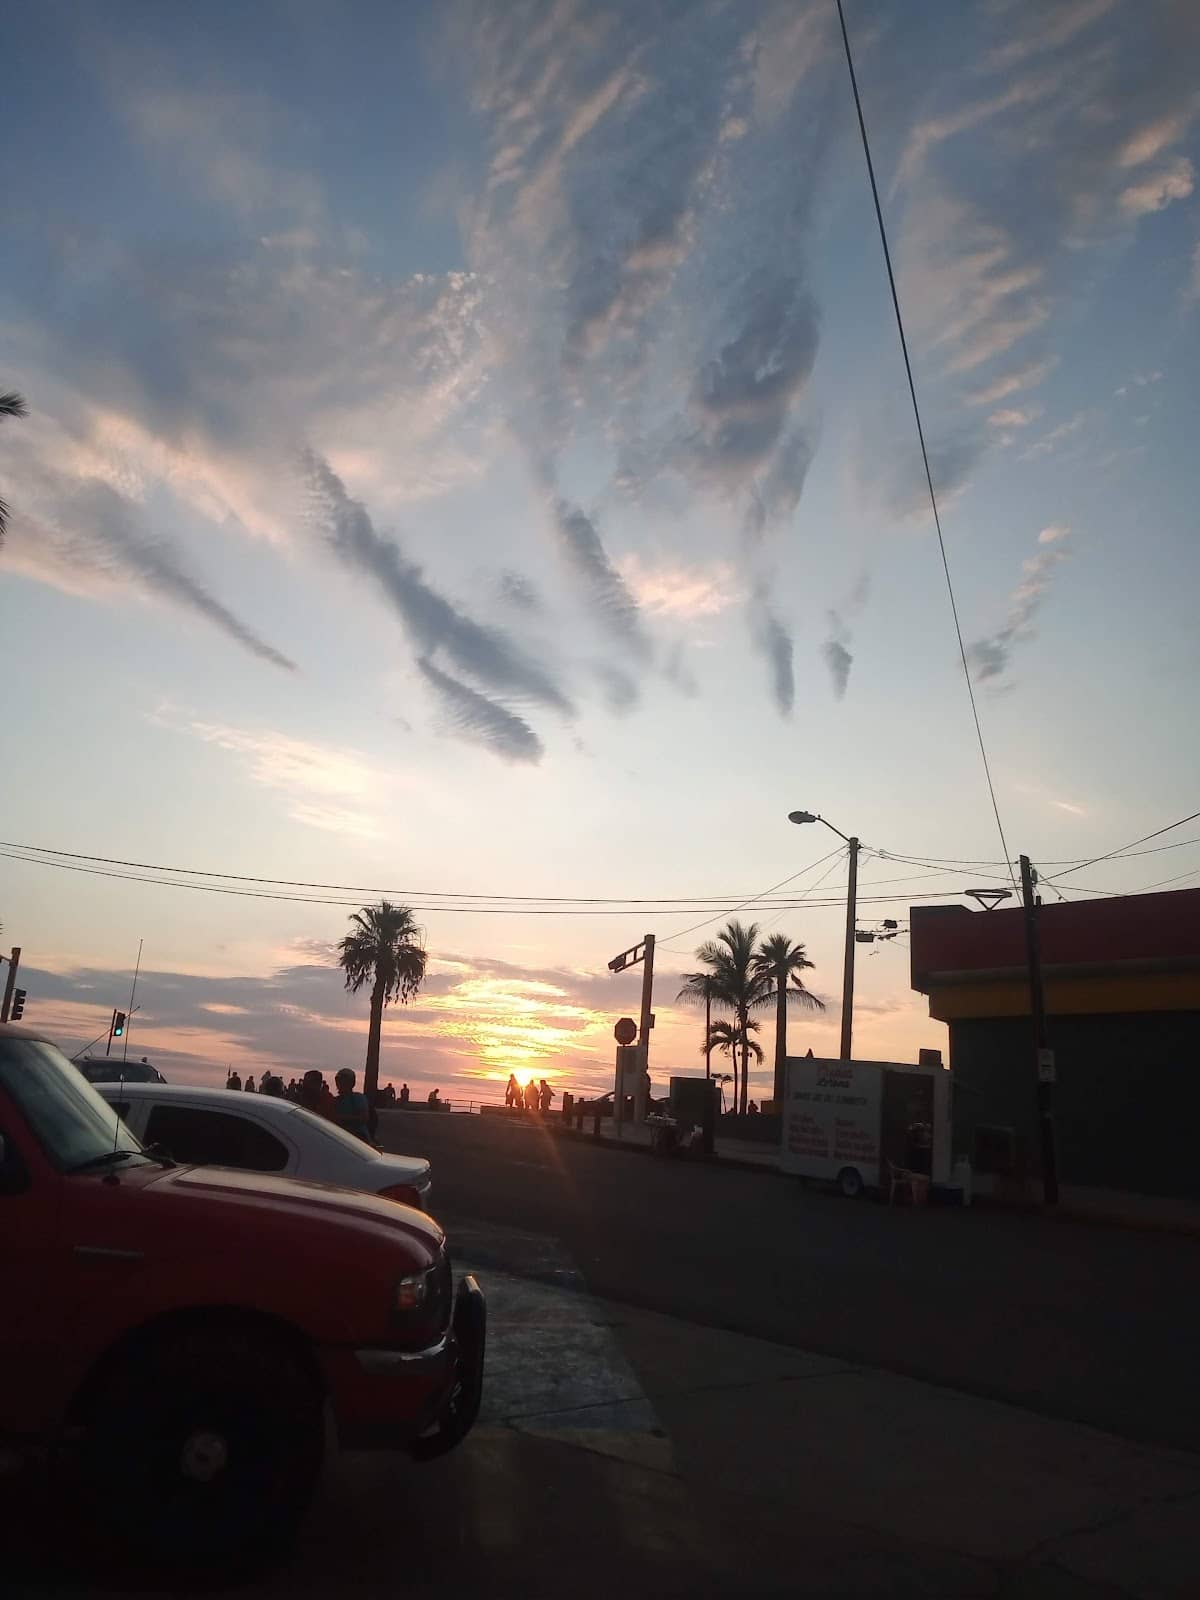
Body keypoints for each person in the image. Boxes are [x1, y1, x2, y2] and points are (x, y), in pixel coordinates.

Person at [332, 1068, 373, 1142]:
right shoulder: (335, 1100)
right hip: (339, 1137)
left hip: (357, 1138)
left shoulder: (358, 1098)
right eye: (338, 1080)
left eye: (344, 1080)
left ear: (351, 1083)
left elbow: (364, 1117)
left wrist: (341, 1118)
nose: (340, 1083)